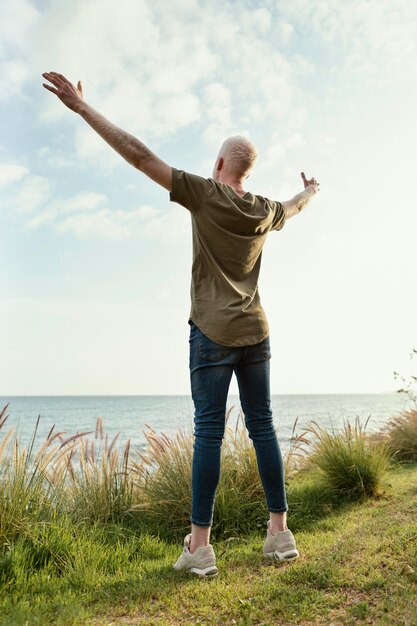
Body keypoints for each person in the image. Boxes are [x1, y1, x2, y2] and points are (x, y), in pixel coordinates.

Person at [42, 71, 320, 578]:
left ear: (218, 164)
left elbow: (140, 155)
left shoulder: (204, 192)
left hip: (212, 333)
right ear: (249, 170)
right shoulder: (264, 210)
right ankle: (280, 535)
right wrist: (313, 190)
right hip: (257, 332)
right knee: (264, 427)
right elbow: (295, 207)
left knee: (209, 434)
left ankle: (200, 548)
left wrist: (83, 109)